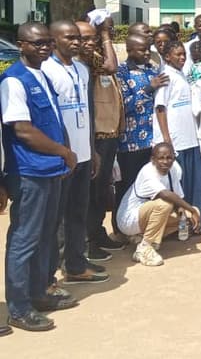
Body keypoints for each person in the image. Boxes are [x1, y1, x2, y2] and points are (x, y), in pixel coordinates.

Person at [1, 22, 79, 331]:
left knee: (46, 236)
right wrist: (63, 152)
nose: (44, 48)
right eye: (37, 43)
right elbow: (23, 130)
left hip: (51, 171)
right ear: (21, 45)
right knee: (25, 239)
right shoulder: (13, 81)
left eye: (47, 42)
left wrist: (64, 152)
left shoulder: (43, 74)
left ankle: (39, 293)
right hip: (29, 172)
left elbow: (53, 120)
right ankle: (19, 308)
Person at [42, 21, 109, 285]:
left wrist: (91, 150)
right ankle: (51, 272)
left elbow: (88, 112)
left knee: (77, 213)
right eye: (69, 37)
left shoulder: (82, 69)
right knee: (55, 218)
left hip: (83, 155)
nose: (76, 42)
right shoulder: (46, 71)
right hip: (60, 158)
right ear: (53, 39)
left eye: (78, 38)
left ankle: (76, 265)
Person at [76, 19, 125, 259]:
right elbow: (111, 65)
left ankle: (96, 233)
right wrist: (104, 35)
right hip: (95, 135)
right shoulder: (85, 60)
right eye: (86, 37)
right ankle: (86, 241)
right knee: (90, 192)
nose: (89, 42)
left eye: (92, 38)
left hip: (110, 132)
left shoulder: (90, 57)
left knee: (100, 190)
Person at [115, 34, 169, 234]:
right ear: (129, 50)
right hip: (129, 143)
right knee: (127, 187)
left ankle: (145, 228)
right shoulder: (121, 73)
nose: (147, 53)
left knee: (149, 186)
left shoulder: (152, 70)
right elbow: (123, 106)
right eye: (141, 49)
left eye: (148, 49)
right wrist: (148, 88)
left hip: (151, 141)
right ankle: (121, 229)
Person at [154, 41, 201, 232]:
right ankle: (181, 225)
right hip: (176, 140)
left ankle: (198, 222)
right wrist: (166, 138)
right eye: (177, 54)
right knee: (181, 184)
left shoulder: (181, 75)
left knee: (195, 183)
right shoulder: (166, 76)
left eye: (183, 54)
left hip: (190, 139)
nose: (182, 57)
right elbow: (160, 108)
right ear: (167, 57)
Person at [116, 143, 201, 266]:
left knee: (187, 217)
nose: (165, 162)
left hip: (146, 216)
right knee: (165, 205)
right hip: (129, 219)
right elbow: (166, 195)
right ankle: (145, 248)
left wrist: (185, 213)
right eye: (161, 158)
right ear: (153, 159)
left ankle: (139, 237)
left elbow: (178, 196)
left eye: (169, 158)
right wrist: (191, 209)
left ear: (173, 158)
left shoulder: (174, 169)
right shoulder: (147, 172)